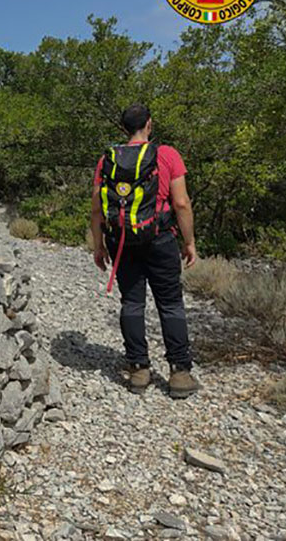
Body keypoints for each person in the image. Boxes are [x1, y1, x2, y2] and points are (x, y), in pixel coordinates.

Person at [89, 103, 200, 398]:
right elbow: (181, 203)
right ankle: (179, 372)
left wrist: (99, 246)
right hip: (160, 238)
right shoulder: (167, 154)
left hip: (122, 239)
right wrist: (189, 242)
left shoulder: (108, 159)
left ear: (124, 128)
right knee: (170, 304)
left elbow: (97, 209)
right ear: (149, 124)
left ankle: (138, 370)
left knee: (132, 302)